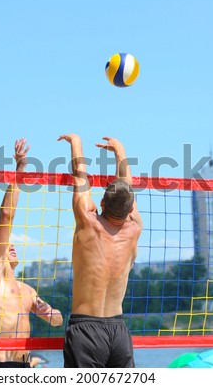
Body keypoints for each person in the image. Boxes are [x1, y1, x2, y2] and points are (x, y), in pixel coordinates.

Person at [58, 135, 142, 368]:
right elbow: (127, 190)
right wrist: (121, 151)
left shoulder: (88, 222)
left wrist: (75, 142)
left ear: (102, 203)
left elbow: (80, 176)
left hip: (86, 331)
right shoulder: (135, 229)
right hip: (118, 332)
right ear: (130, 209)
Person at [0, 138, 64, 368]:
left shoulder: (28, 291)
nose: (11, 246)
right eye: (4, 246)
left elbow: (57, 321)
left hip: (25, 368)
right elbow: (6, 215)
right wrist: (20, 170)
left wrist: (50, 312)